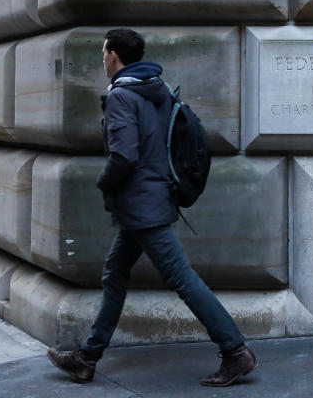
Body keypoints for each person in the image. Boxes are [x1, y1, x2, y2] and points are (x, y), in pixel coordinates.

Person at [46, 27, 256, 387]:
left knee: (181, 278)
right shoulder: (155, 88)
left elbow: (125, 153)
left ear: (114, 55)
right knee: (115, 273)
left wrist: (105, 181)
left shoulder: (122, 97)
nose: (102, 60)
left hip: (143, 204)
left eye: (103, 54)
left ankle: (236, 351)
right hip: (151, 199)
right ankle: (87, 357)